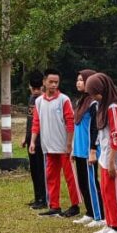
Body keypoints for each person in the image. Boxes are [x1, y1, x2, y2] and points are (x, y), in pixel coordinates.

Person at [30, 68, 81, 218]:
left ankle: (75, 205)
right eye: (51, 82)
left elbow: (70, 122)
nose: (53, 85)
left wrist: (69, 143)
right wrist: (33, 141)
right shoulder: (39, 102)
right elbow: (36, 122)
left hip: (64, 146)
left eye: (56, 82)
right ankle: (54, 205)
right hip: (48, 146)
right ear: (44, 82)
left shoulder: (64, 100)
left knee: (70, 176)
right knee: (51, 177)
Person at [85, 73, 117, 233]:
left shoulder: (113, 108)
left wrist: (111, 162)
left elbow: (116, 135)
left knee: (114, 192)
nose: (94, 97)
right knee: (106, 192)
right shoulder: (102, 106)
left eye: (95, 93)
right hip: (105, 156)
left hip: (114, 159)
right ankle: (109, 223)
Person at [72, 69, 104, 226]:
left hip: (88, 151)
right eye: (77, 80)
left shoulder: (93, 103)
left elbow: (95, 128)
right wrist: (73, 149)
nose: (78, 82)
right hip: (79, 150)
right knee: (83, 182)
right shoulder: (81, 101)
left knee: (92, 183)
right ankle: (90, 212)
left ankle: (100, 216)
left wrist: (92, 150)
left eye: (81, 80)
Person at [24, 71, 48, 210]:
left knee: (41, 171)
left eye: (38, 89)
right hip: (31, 141)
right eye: (34, 89)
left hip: (41, 142)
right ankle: (37, 196)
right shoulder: (31, 99)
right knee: (34, 170)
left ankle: (43, 198)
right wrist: (25, 138)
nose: (36, 92)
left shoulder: (43, 100)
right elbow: (29, 121)